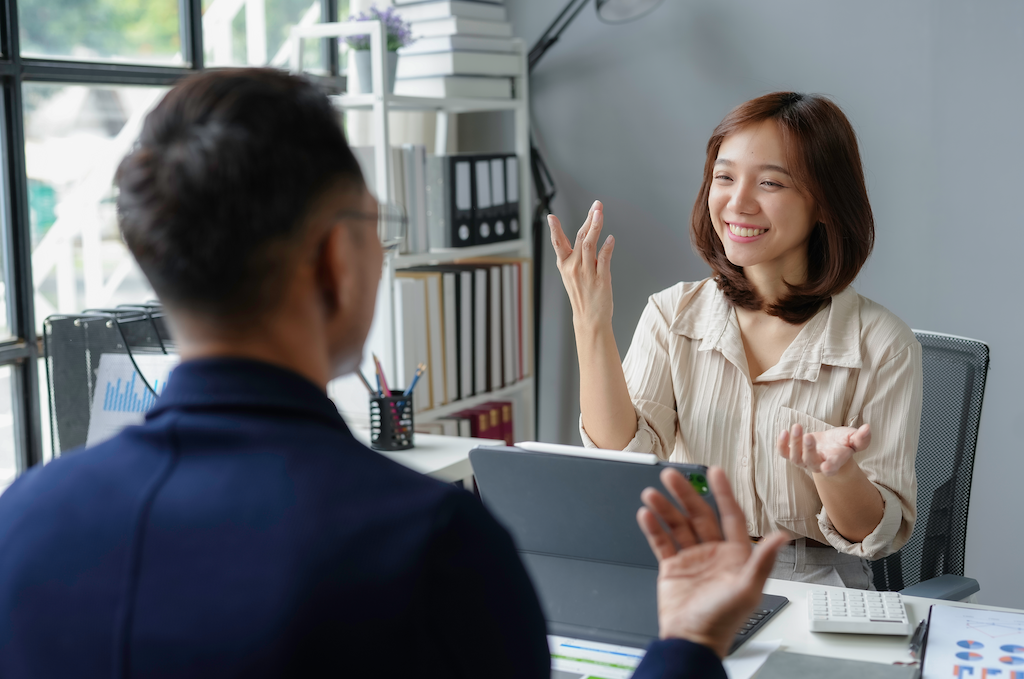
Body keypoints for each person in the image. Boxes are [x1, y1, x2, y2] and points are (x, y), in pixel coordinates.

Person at [0, 68, 786, 678]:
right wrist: (688, 639)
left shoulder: (25, 518)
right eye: (377, 227)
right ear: (337, 260)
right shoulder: (426, 546)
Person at [549, 92, 922, 588]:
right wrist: (589, 322)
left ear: (826, 204)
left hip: (813, 580)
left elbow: (873, 535)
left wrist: (836, 473)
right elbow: (624, 457)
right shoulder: (672, 313)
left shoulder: (881, 344)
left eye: (770, 182)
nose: (738, 202)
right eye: (724, 177)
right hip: (685, 565)